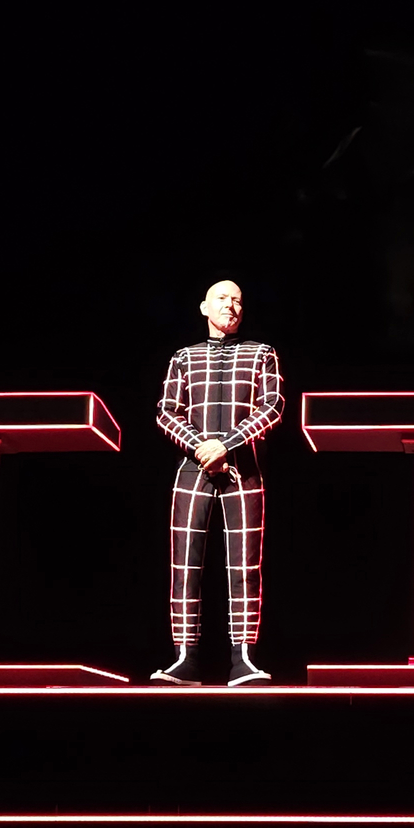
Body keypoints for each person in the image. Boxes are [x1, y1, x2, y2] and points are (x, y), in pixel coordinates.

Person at [152, 280, 284, 686]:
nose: (232, 306)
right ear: (204, 307)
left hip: (243, 466)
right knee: (184, 563)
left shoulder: (261, 353)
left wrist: (226, 444)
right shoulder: (183, 357)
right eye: (223, 299)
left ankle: (243, 659)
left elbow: (273, 406)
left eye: (238, 300)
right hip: (192, 467)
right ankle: (185, 658)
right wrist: (201, 447)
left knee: (245, 564)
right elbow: (166, 411)